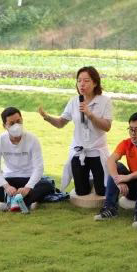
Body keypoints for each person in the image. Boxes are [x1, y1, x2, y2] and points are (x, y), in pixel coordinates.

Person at [38, 66, 114, 197]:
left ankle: (100, 178)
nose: (82, 84)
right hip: (79, 151)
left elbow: (107, 126)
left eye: (86, 80)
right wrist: (47, 117)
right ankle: (90, 180)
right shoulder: (74, 101)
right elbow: (61, 123)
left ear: (95, 82)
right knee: (81, 192)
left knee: (102, 191)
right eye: (79, 81)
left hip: (97, 151)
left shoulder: (105, 101)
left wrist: (90, 115)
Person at [95, 111, 137, 224]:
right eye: (130, 129)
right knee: (117, 166)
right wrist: (118, 181)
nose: (133, 133)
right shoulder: (126, 143)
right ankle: (109, 208)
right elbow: (110, 160)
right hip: (135, 186)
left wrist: (129, 177)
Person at [0, 106, 55, 213]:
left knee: (47, 185)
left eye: (18, 121)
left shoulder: (32, 139)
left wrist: (28, 187)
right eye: (12, 123)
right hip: (9, 179)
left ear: (22, 120)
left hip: (28, 178)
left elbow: (38, 168)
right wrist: (6, 186)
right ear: (4, 126)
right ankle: (25, 202)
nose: (16, 126)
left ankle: (11, 202)